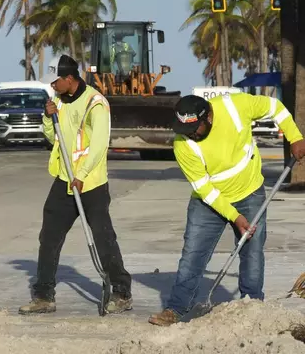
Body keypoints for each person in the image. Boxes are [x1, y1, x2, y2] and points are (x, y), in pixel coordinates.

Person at [148, 93, 305, 326]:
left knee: (252, 253)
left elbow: (275, 107)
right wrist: (234, 216)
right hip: (208, 202)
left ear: (208, 116)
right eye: (184, 129)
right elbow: (205, 189)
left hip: (250, 192)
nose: (190, 134)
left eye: (194, 128)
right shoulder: (182, 144)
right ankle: (177, 309)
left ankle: (252, 306)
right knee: (193, 254)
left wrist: (295, 136)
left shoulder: (235, 106)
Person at [18, 54, 133, 315]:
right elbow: (53, 138)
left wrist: (80, 175)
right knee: (49, 237)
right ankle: (44, 296)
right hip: (64, 180)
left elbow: (99, 146)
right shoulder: (58, 101)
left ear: (69, 79)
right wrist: (49, 118)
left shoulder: (96, 103)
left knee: (103, 238)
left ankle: (121, 292)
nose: (52, 87)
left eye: (55, 81)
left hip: (90, 182)